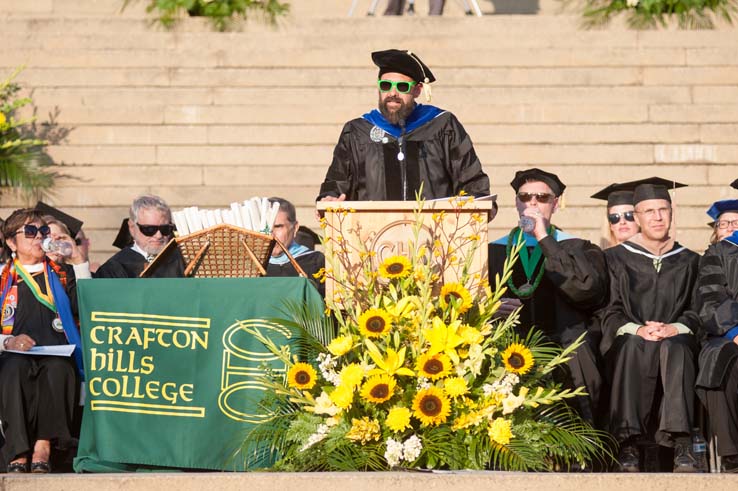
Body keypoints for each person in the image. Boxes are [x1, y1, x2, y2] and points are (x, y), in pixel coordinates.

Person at [489, 168, 608, 425]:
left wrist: (543, 237)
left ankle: (583, 447)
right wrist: (491, 306)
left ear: (555, 204)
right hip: (510, 338)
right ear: (516, 202)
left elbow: (587, 290)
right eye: (525, 196)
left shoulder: (577, 247)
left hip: (563, 337)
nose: (533, 202)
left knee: (580, 351)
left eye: (542, 198)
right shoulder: (493, 250)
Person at [601, 181, 701, 473]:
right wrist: (637, 329)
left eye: (663, 210)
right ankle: (628, 444)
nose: (657, 217)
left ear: (672, 212)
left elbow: (699, 310)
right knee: (632, 345)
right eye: (648, 211)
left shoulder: (691, 261)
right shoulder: (614, 259)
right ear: (636, 216)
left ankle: (682, 443)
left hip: (677, 339)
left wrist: (675, 328)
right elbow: (610, 309)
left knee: (677, 347)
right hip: (631, 339)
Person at [318, 49, 489, 202]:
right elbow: (336, 184)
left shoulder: (442, 126)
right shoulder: (358, 132)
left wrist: (481, 203)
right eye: (385, 86)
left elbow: (471, 182)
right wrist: (330, 197)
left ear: (417, 90)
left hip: (435, 233)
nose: (392, 93)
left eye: (402, 86)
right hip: (372, 234)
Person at [0, 209, 84, 473]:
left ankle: (43, 445)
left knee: (58, 369)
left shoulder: (63, 274)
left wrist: (79, 260)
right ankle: (18, 449)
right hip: (13, 353)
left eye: (43, 231)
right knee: (13, 371)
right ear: (11, 242)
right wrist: (7, 342)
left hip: (59, 353)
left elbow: (88, 308)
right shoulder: (3, 279)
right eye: (31, 232)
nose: (39, 237)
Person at [696, 222, 738, 472]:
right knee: (720, 359)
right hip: (729, 334)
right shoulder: (720, 252)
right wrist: (735, 331)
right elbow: (710, 300)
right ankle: (733, 456)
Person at [95, 195, 184, 278]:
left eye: (165, 229)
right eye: (149, 229)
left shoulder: (183, 260)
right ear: (132, 228)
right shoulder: (114, 269)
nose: (158, 236)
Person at [266, 198, 325, 296]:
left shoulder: (315, 262)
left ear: (295, 227)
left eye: (278, 226)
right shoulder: (254, 266)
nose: (271, 234)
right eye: (266, 227)